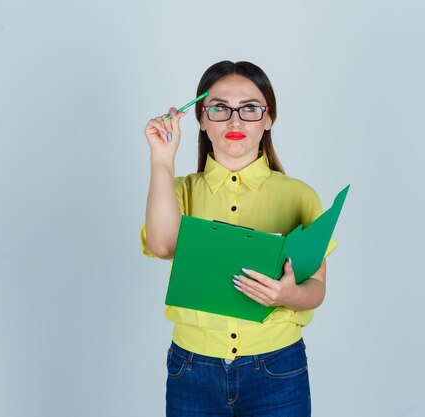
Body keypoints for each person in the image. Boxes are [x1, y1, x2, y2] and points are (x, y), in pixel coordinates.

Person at [141, 60, 336, 417]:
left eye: (249, 108)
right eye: (219, 108)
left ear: (269, 117)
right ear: (200, 118)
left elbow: (317, 288)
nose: (234, 121)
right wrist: (162, 160)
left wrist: (288, 294)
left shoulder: (300, 196)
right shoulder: (179, 191)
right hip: (192, 369)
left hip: (277, 369)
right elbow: (162, 245)